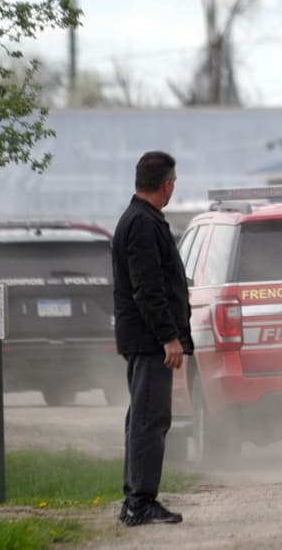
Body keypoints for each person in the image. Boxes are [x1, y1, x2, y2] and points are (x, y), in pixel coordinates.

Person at [112, 151, 193, 527]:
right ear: (167, 184)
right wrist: (168, 338)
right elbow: (148, 289)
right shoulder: (143, 224)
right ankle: (139, 503)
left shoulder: (142, 219)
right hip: (149, 341)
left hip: (146, 340)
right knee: (149, 418)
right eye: (173, 182)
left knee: (144, 417)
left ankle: (137, 497)